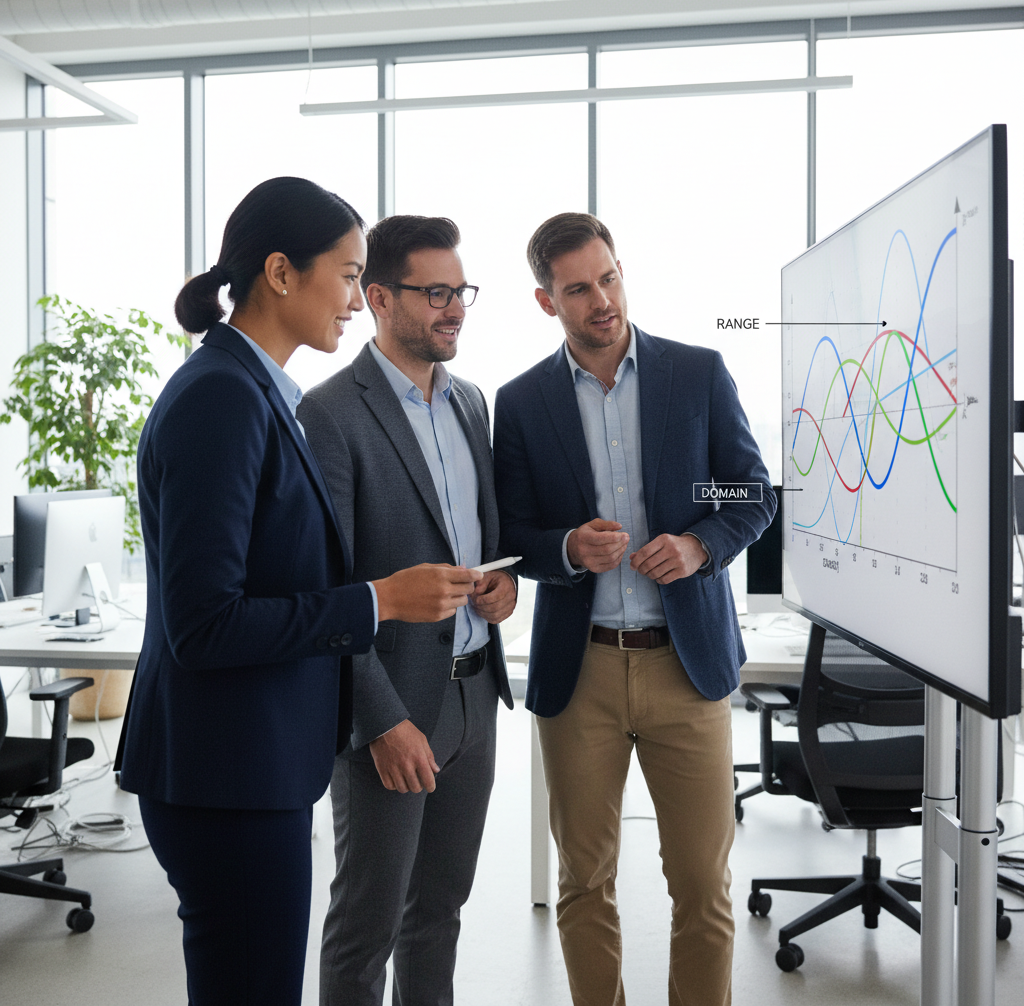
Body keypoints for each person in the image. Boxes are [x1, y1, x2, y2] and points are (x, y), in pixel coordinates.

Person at [117, 178, 481, 1006]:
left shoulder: (256, 394)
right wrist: (379, 600)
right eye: (349, 275)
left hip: (252, 766)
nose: (358, 300)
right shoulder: (222, 399)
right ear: (281, 273)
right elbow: (204, 625)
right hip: (226, 776)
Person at [492, 212, 776, 1006]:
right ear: (547, 301)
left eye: (608, 277)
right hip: (579, 670)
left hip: (687, 668)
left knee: (701, 883)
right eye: (578, 288)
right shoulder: (519, 404)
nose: (601, 300)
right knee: (584, 881)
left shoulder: (698, 373)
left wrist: (700, 546)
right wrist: (564, 550)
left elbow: (748, 492)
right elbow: (511, 532)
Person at [296, 214, 516, 1006]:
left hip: (474, 696)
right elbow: (325, 592)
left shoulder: (471, 404)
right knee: (367, 926)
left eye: (461, 291)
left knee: (440, 915)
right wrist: (379, 723)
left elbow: (482, 544)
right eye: (435, 293)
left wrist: (504, 588)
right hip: (390, 712)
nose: (454, 308)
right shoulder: (329, 414)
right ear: (380, 297)